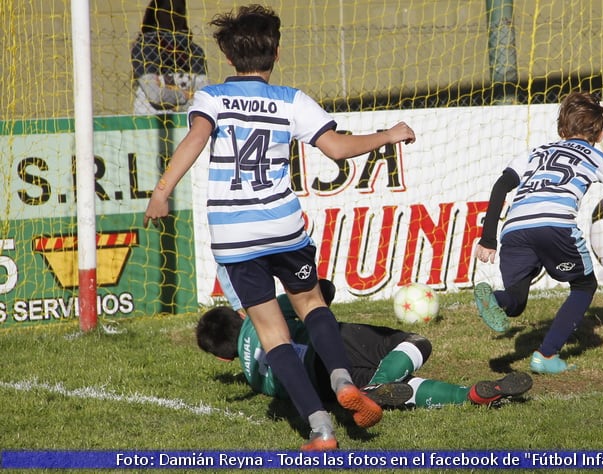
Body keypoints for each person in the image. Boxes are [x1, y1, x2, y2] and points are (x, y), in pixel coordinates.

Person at [144, 4, 416, 451]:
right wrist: (389, 134)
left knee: (272, 333)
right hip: (283, 226)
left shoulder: (210, 98)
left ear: (228, 59)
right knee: (312, 305)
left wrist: (162, 191)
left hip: (234, 236)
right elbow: (337, 149)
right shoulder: (292, 99)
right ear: (277, 52)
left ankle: (321, 429)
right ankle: (343, 378)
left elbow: (194, 140)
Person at [473, 91, 603, 375]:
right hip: (555, 225)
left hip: (515, 227)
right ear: (601, 134)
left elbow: (501, 186)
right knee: (584, 286)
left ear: (561, 130)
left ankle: (494, 300)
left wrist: (488, 238)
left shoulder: (534, 152)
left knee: (515, 301)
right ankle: (546, 356)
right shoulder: (596, 156)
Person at [196, 279, 534, 410]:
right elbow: (322, 292)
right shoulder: (259, 316)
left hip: (319, 384)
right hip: (331, 344)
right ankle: (379, 385)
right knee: (415, 342)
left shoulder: (253, 377)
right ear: (239, 315)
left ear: (225, 360)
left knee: (410, 389)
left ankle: (471, 396)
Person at [130, 0, 209, 115]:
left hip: (186, 120)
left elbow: (203, 98)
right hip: (149, 124)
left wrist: (178, 105)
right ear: (156, 14)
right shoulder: (144, 49)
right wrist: (185, 95)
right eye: (167, 12)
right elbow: (155, 96)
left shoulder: (195, 52)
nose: (174, 17)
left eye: (178, 11)